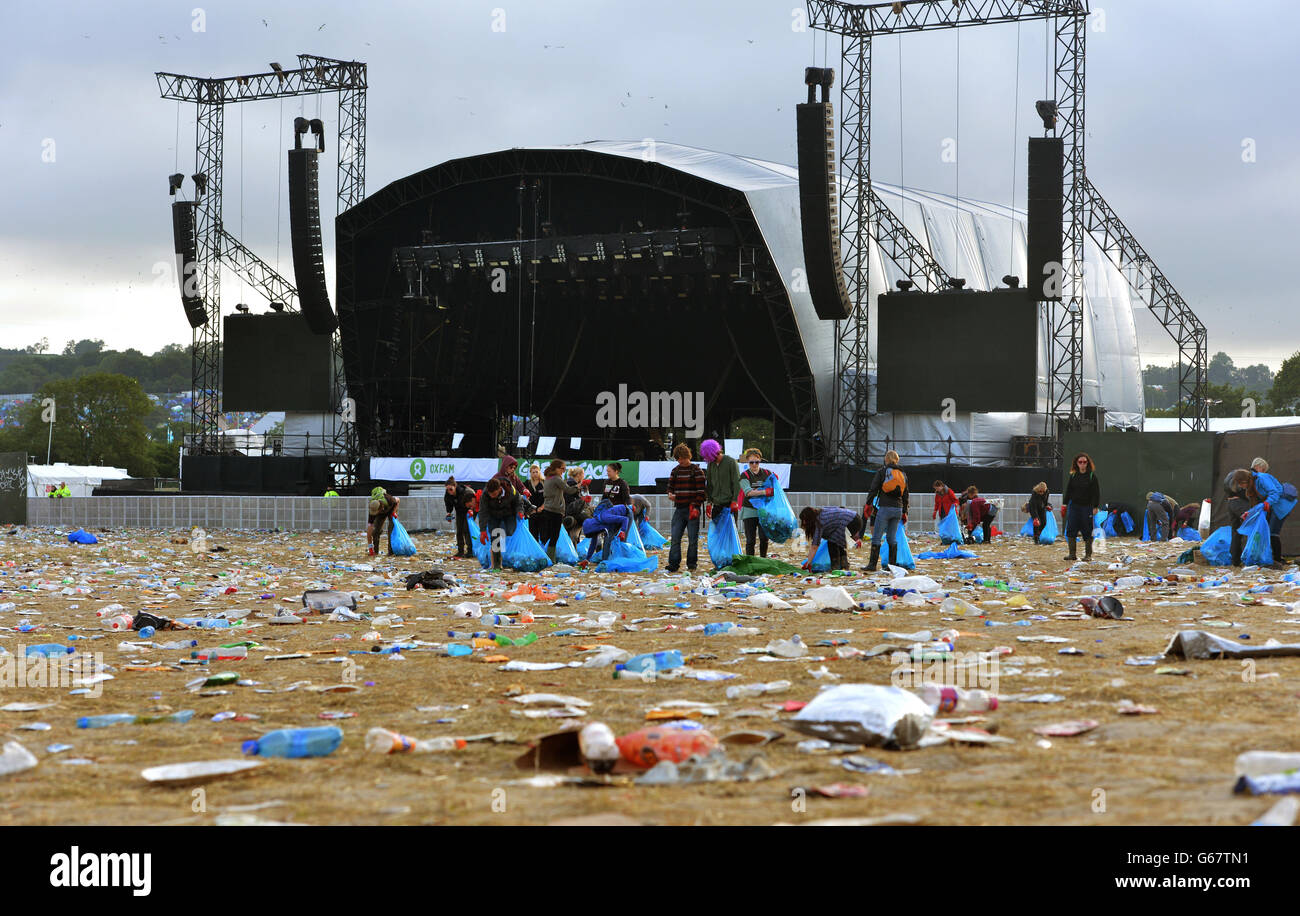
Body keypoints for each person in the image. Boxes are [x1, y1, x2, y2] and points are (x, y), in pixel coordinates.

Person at [862, 450, 908, 572]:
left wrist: (868, 504)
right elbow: (906, 494)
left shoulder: (882, 472)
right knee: (892, 538)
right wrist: (905, 511)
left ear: (886, 459)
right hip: (898, 509)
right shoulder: (902, 474)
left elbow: (873, 489)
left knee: (877, 537)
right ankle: (892, 566)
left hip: (885, 508)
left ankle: (872, 565)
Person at [665, 443, 706, 573]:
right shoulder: (675, 471)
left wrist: (695, 506)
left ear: (687, 456)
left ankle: (692, 564)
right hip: (679, 508)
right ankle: (673, 564)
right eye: (678, 459)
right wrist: (670, 494)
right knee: (675, 538)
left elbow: (701, 492)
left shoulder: (697, 471)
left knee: (693, 539)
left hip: (692, 508)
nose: (680, 461)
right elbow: (670, 487)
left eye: (682, 458)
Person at [1250, 457, 1295, 565]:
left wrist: (1267, 503)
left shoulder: (1261, 476)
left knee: (1273, 532)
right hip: (1278, 506)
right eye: (1264, 469)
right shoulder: (1256, 477)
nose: (1264, 471)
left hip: (1281, 507)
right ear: (1258, 467)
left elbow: (1275, 492)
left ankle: (1278, 560)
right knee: (1270, 532)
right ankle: (1273, 557)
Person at [1060, 452, 1101, 561]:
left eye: (1084, 462)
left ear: (1088, 463)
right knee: (1071, 529)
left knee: (1087, 530)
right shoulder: (1073, 476)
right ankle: (1072, 554)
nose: (1082, 464)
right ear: (1076, 463)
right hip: (1074, 506)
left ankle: (1088, 555)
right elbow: (1069, 490)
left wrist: (1095, 506)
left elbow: (1096, 493)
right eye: (1080, 462)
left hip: (1087, 507)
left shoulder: (1092, 476)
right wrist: (1064, 504)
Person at [737, 448, 774, 558]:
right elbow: (748, 492)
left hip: (764, 511)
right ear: (748, 461)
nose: (754, 464)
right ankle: (750, 561)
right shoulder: (744, 475)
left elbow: (775, 488)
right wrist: (765, 492)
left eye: (756, 462)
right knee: (750, 540)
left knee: (764, 538)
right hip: (749, 510)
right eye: (751, 462)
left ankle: (763, 559)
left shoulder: (767, 473)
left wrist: (773, 487)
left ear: (760, 461)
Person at [537, 460, 578, 558]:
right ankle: (551, 558)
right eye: (562, 468)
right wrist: (578, 486)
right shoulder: (556, 479)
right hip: (556, 510)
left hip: (547, 509)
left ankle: (547, 556)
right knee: (554, 536)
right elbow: (569, 490)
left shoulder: (547, 478)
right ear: (556, 468)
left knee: (548, 535)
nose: (563, 471)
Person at [800, 506, 860, 572]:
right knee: (836, 540)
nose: (803, 523)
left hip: (851, 522)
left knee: (832, 542)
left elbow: (815, 546)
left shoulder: (819, 522)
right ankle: (844, 565)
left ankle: (835, 567)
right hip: (855, 518)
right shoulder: (821, 513)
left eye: (804, 520)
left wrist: (809, 563)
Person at [1225, 469, 1261, 567]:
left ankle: (1235, 560)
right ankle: (1249, 558)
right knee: (1249, 529)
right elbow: (1245, 493)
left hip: (1230, 502)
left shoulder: (1231, 476)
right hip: (1240, 503)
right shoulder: (1246, 479)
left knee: (1236, 532)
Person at [701, 439, 740, 523]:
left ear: (718, 452)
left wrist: (735, 500)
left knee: (730, 533)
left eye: (714, 458)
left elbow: (737, 482)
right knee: (717, 533)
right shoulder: (711, 464)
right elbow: (710, 485)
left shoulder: (731, 462)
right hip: (717, 505)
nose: (714, 461)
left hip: (729, 504)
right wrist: (709, 502)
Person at [443, 476, 476, 558]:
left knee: (466, 530)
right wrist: (449, 513)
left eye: (451, 489)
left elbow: (473, 501)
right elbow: (448, 504)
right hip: (459, 511)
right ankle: (460, 551)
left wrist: (472, 510)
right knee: (459, 531)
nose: (449, 491)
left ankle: (470, 551)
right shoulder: (447, 495)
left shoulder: (465, 492)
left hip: (469, 510)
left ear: (455, 486)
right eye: (447, 489)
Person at [366, 486, 400, 556]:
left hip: (391, 510)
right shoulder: (373, 510)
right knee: (375, 532)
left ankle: (391, 552)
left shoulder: (389, 499)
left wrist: (394, 512)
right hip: (381, 514)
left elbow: (398, 500)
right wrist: (370, 547)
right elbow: (369, 530)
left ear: (380, 508)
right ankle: (375, 552)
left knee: (391, 531)